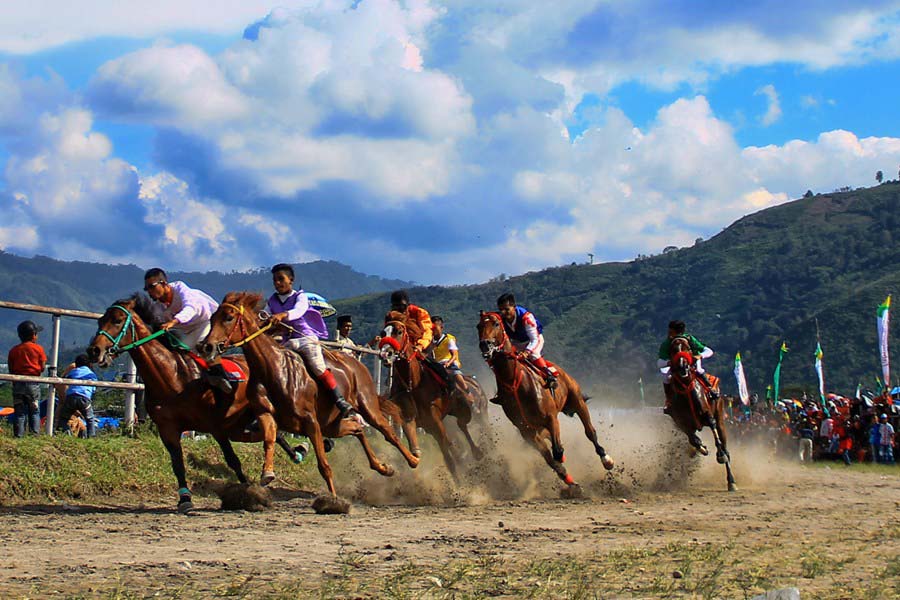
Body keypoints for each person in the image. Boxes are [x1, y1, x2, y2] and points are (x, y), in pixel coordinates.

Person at [267, 263, 361, 423]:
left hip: (305, 339)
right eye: (275, 280)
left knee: (318, 367)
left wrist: (282, 315)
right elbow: (266, 313)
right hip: (286, 342)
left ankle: (339, 400)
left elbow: (299, 311)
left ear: (291, 280)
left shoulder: (300, 297)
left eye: (281, 279)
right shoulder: (272, 300)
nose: (277, 283)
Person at [143, 268, 233, 392]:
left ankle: (221, 378)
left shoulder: (182, 290)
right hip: (189, 331)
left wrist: (173, 322)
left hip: (209, 322)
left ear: (164, 283)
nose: (149, 291)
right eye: (146, 289)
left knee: (204, 347)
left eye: (151, 287)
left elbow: (190, 309)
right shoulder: (157, 307)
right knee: (179, 353)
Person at [496, 293, 559, 389]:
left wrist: (527, 352)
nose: (503, 313)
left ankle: (549, 376)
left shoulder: (526, 317)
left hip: (533, 340)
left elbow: (534, 339)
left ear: (514, 307)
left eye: (507, 309)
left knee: (533, 354)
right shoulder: (500, 319)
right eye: (501, 310)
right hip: (516, 343)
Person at [657, 320, 717, 415]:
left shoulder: (690, 339)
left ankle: (710, 389)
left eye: (670, 331)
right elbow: (660, 363)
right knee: (665, 376)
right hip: (675, 367)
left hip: (692, 364)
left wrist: (699, 356)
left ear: (672, 331)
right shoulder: (667, 343)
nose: (668, 333)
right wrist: (669, 362)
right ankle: (669, 401)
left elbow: (709, 351)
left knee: (699, 370)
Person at [8, 320, 47, 436]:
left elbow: (11, 368)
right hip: (32, 384)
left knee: (19, 411)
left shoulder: (14, 350)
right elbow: (43, 366)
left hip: (18, 383)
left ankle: (18, 435)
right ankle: (34, 435)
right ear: (34, 335)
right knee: (34, 410)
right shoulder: (38, 349)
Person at [430, 316, 471, 402]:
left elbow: (454, 355)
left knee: (456, 374)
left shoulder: (448, 339)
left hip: (449, 362)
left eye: (435, 327)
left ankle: (468, 393)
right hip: (437, 364)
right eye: (431, 327)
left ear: (441, 327)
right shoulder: (429, 341)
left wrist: (448, 363)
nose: (432, 330)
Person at [58, 354, 98, 438]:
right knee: (90, 419)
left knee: (64, 418)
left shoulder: (73, 372)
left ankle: (66, 435)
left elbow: (65, 379)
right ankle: (91, 437)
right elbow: (94, 389)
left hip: (71, 397)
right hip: (84, 399)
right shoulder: (92, 374)